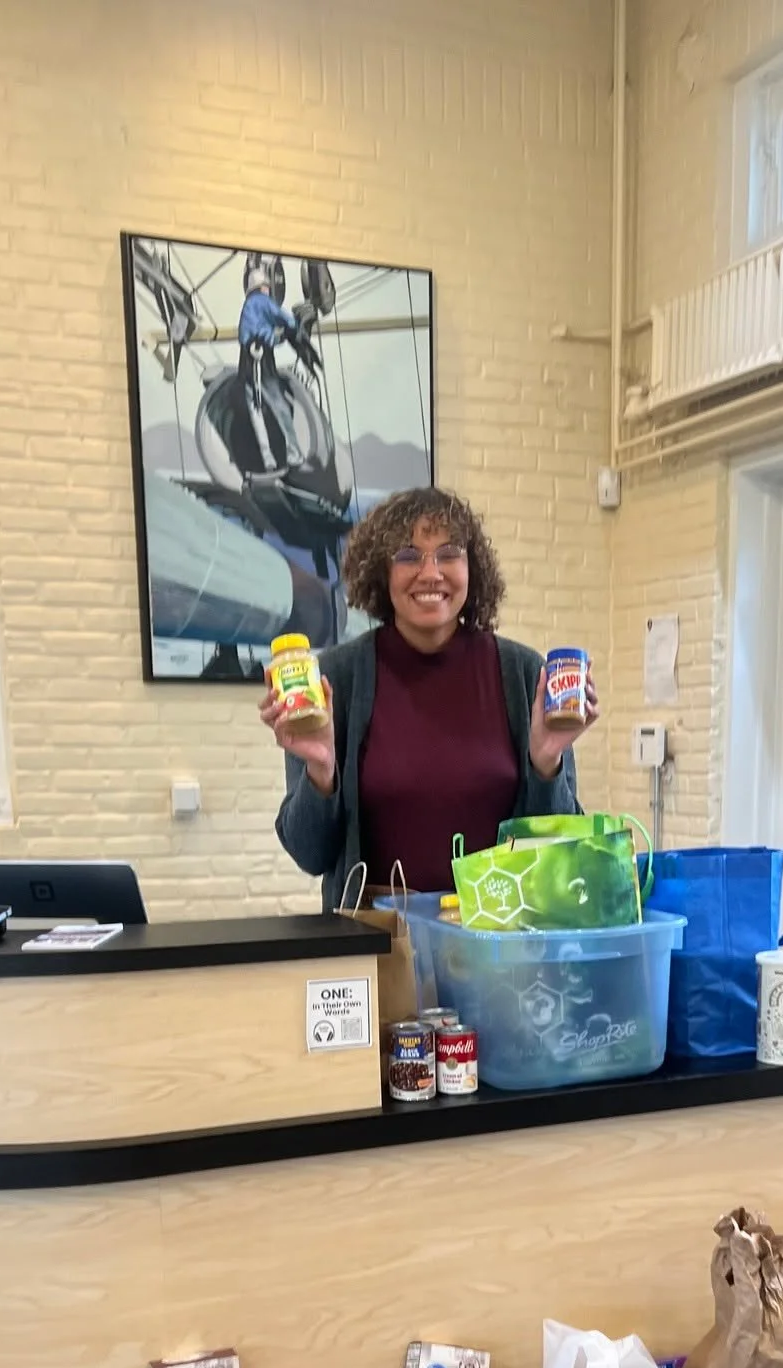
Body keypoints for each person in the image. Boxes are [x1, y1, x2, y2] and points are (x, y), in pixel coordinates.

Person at [263, 486, 599, 911]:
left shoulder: (525, 674)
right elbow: (310, 855)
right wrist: (321, 771)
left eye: (448, 553)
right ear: (380, 571)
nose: (430, 572)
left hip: (498, 942)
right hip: (379, 943)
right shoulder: (334, 679)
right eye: (407, 555)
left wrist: (546, 763)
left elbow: (557, 850)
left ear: (471, 567)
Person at [238, 253, 301, 470]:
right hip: (262, 361)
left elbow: (245, 333)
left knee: (255, 409)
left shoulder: (246, 307)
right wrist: (285, 332)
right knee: (279, 407)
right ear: (264, 287)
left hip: (245, 362)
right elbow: (288, 321)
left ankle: (268, 459)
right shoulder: (264, 302)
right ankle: (293, 454)